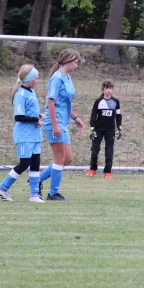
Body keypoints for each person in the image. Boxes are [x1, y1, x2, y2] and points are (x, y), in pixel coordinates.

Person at [38, 48, 85, 201]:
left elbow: (65, 102)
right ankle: (53, 193)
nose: (76, 66)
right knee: (60, 158)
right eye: (75, 62)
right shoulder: (57, 78)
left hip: (63, 122)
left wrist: (75, 118)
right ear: (68, 61)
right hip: (54, 123)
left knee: (67, 159)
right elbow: (51, 103)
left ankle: (36, 180)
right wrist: (55, 125)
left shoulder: (68, 77)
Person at [0, 65, 45, 203]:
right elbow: (19, 117)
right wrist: (36, 119)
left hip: (34, 135)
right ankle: (3, 188)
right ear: (29, 79)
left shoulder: (31, 92)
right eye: (36, 78)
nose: (38, 80)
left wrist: (38, 116)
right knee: (25, 163)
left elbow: (30, 113)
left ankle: (34, 195)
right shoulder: (20, 94)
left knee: (35, 163)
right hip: (24, 136)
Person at [86, 80, 122, 179]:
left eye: (110, 88)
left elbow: (118, 116)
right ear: (103, 89)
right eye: (107, 88)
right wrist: (92, 129)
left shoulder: (116, 102)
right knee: (95, 150)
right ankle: (93, 169)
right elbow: (93, 115)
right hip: (98, 129)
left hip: (110, 130)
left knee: (109, 151)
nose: (108, 90)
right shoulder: (98, 102)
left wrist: (119, 128)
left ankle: (107, 171)